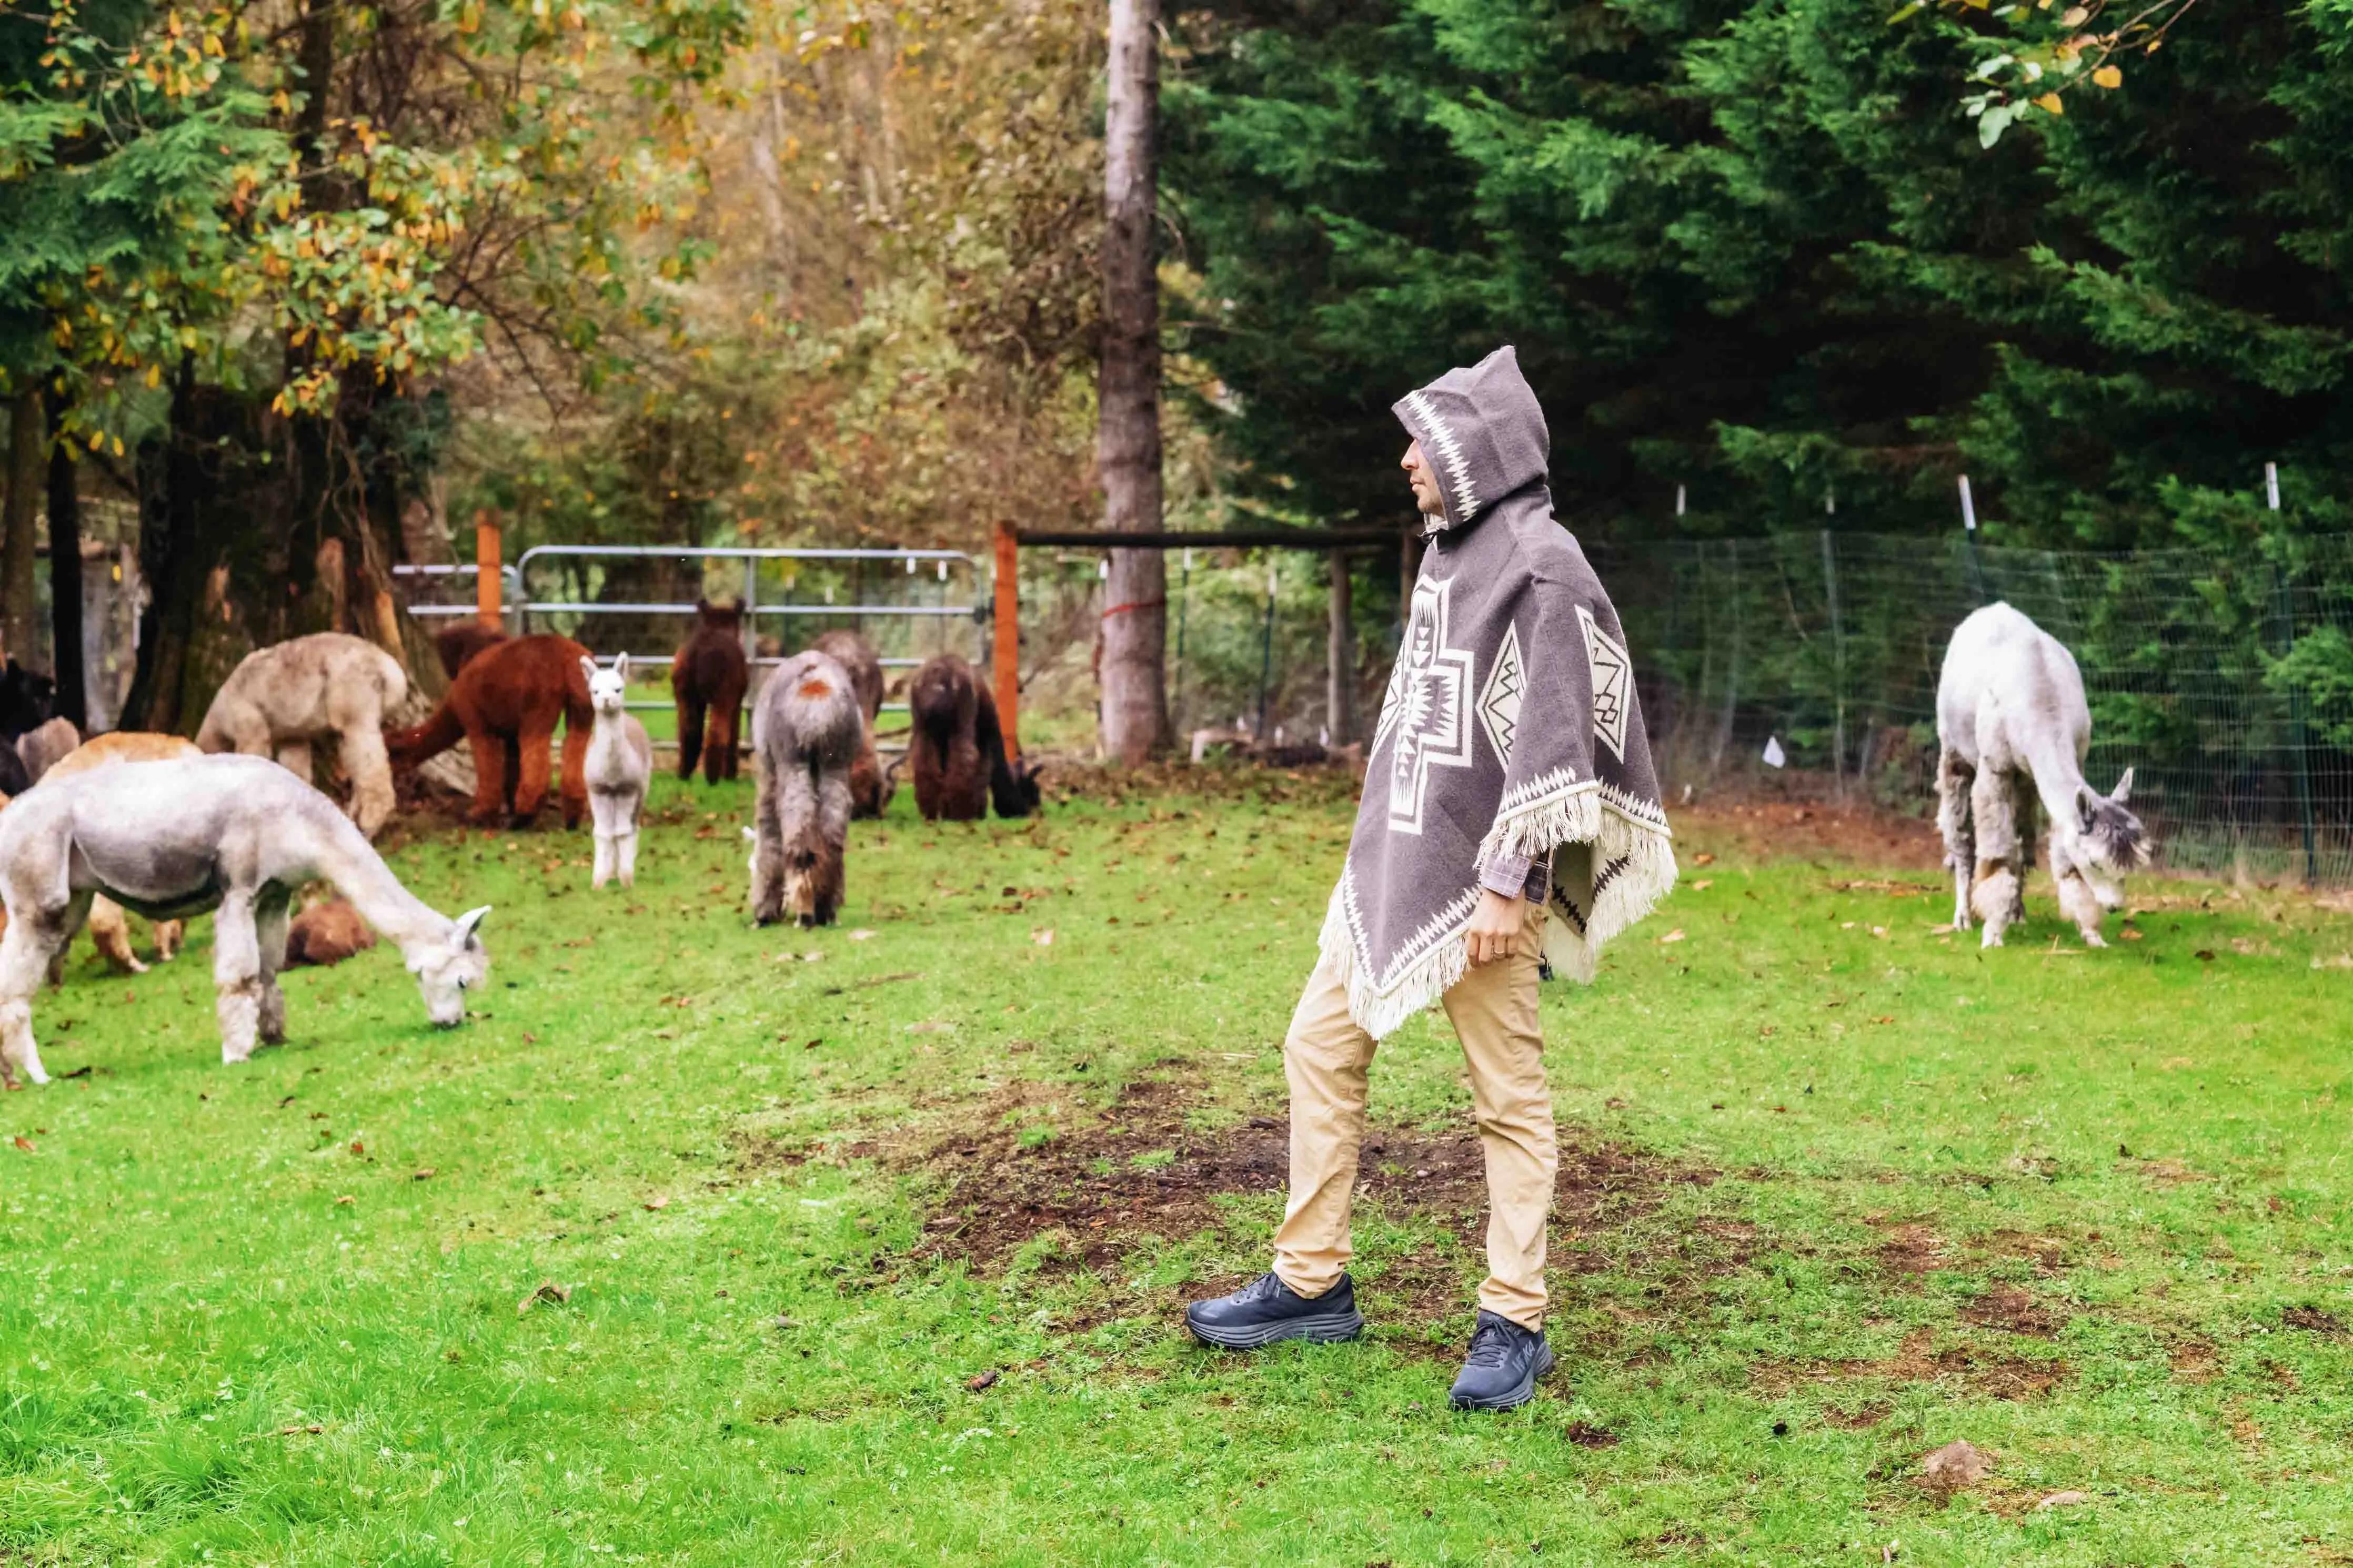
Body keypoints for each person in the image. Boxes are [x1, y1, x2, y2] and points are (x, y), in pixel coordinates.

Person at [1184, 346, 1677, 1411]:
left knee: (1507, 1095)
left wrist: (1510, 878)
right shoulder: (1451, 554)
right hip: (1396, 866)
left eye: (1425, 441)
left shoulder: (1543, 566)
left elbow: (1556, 742)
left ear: (1478, 450)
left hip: (1485, 892)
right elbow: (1428, 727)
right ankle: (1311, 1281)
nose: (1408, 461)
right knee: (1317, 1043)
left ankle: (1515, 1317)